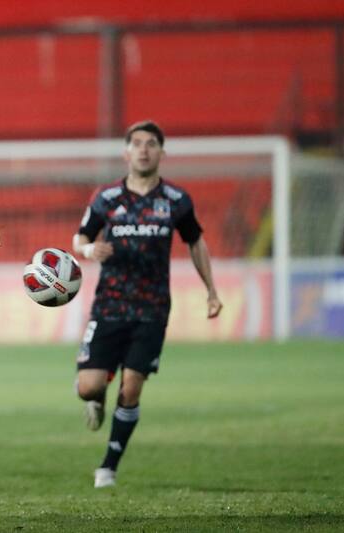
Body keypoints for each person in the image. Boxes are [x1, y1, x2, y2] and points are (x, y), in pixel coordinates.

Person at [72, 120, 223, 489]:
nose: (143, 149)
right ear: (126, 153)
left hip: (152, 309)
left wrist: (212, 291)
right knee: (88, 387)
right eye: (136, 143)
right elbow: (80, 239)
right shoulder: (106, 198)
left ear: (161, 153)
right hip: (109, 304)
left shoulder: (176, 201)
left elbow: (196, 243)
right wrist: (90, 249)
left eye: (151, 143)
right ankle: (100, 387)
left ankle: (108, 467)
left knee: (133, 389)